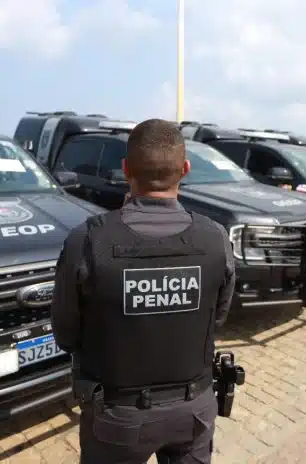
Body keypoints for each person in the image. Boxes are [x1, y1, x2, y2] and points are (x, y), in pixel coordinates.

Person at [50, 118, 236, 464]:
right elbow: (218, 318)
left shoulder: (87, 241)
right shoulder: (216, 237)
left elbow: (65, 333)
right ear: (185, 169)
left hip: (117, 417)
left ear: (125, 170)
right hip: (192, 411)